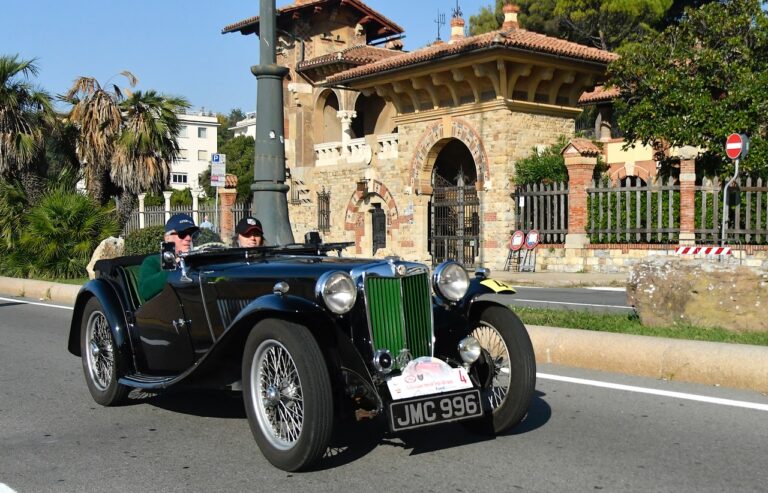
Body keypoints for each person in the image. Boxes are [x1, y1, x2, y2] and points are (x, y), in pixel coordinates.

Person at [138, 213, 198, 302]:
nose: (188, 238)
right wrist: (176, 264)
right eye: (182, 233)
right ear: (167, 238)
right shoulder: (152, 261)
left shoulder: (198, 261)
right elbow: (145, 291)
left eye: (192, 234)